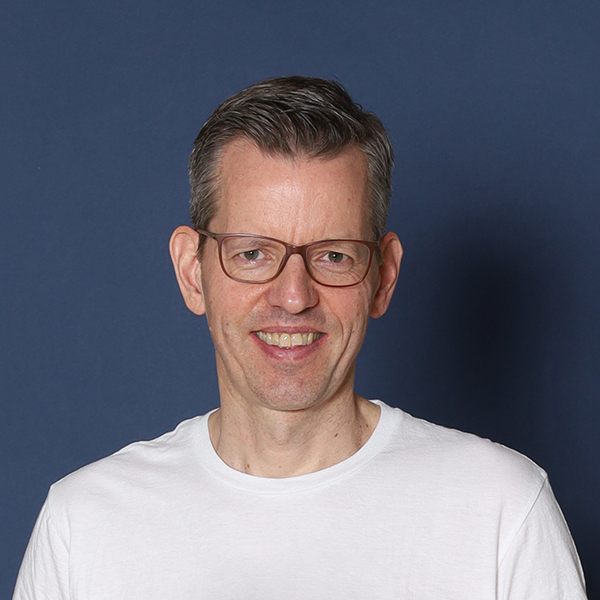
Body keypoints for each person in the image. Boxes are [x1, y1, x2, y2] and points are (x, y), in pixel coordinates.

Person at [14, 76, 587, 599]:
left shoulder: (501, 511)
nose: (293, 297)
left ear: (383, 276)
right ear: (192, 272)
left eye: (334, 255)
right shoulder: (85, 525)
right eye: (252, 253)